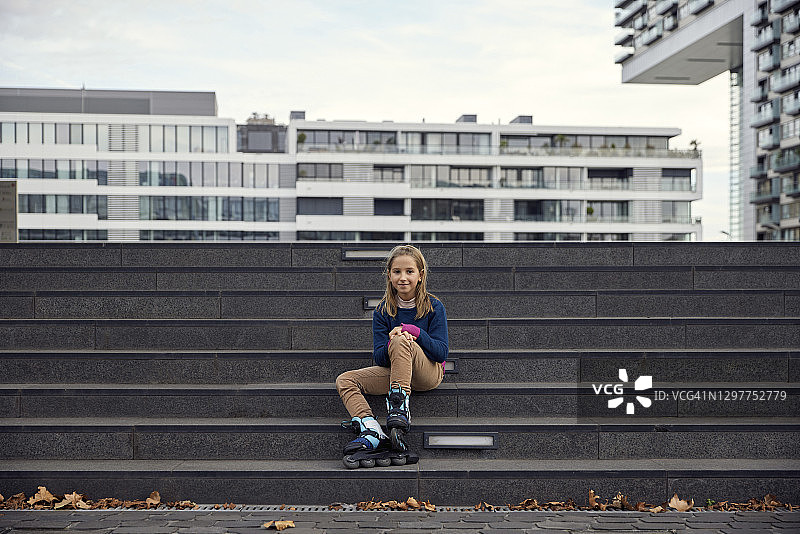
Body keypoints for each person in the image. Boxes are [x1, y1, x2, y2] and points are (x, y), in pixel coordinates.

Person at [335, 244, 448, 459]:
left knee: (402, 340)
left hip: (427, 373)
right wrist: (392, 342)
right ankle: (372, 430)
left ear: (420, 275)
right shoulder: (382, 311)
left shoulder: (434, 306)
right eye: (397, 272)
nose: (403, 277)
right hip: (396, 370)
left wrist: (413, 332)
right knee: (345, 380)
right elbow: (378, 357)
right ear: (389, 275)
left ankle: (398, 408)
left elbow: (441, 353)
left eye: (409, 271)